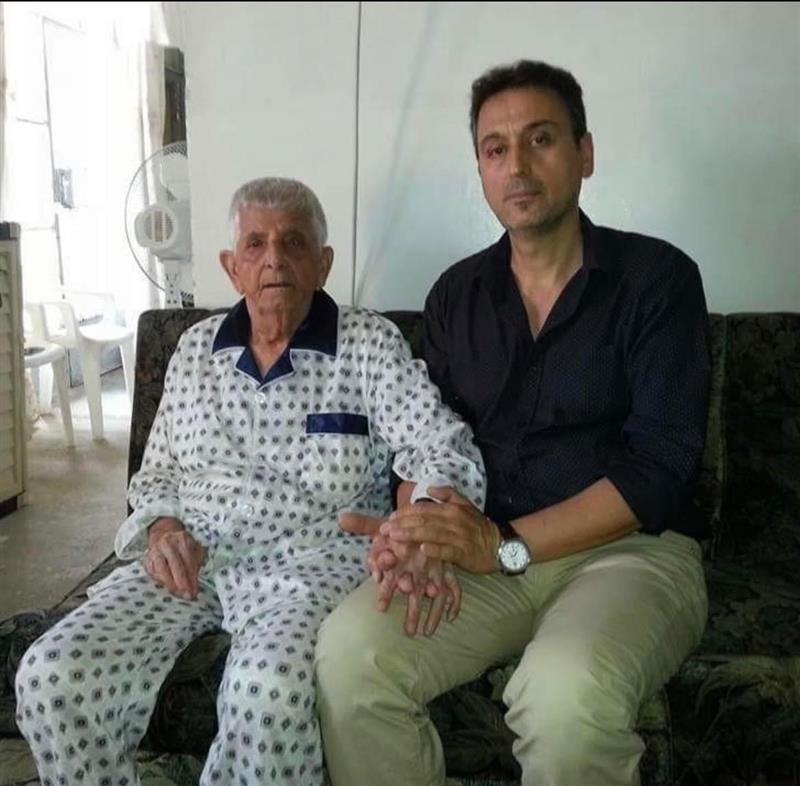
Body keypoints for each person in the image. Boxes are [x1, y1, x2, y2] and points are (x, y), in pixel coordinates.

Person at [316, 60, 711, 786]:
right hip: (483, 558)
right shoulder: (455, 295)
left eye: (541, 139)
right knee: (349, 656)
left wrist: (505, 545)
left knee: (564, 698)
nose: (518, 166)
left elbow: (660, 468)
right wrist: (425, 526)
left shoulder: (658, 280)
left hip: (629, 554)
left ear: (584, 153)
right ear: (481, 169)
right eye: (496, 149)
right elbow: (425, 442)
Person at [14, 177, 485, 786]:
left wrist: (424, 525)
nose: (274, 260)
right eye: (255, 244)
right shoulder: (193, 350)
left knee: (266, 692)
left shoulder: (368, 344)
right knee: (51, 673)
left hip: (313, 564)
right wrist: (163, 529)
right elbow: (157, 473)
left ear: (323, 263)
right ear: (231, 267)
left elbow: (441, 445)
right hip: (194, 560)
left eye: (294, 242)